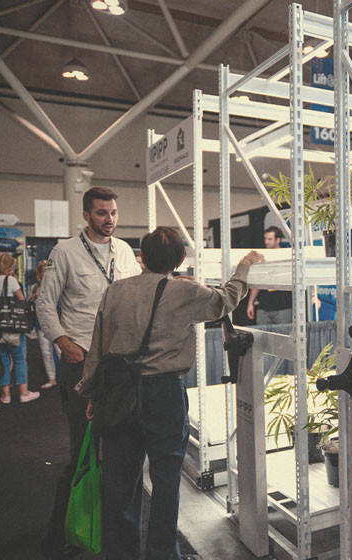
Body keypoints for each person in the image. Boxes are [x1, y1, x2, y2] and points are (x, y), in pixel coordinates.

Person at [78, 226, 264, 560]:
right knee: (165, 483)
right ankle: (163, 555)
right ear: (179, 260)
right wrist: (245, 266)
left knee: (119, 481)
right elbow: (226, 300)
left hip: (117, 392)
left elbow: (98, 346)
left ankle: (122, 554)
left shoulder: (115, 291)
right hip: (164, 393)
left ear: (142, 258)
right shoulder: (184, 291)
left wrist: (92, 393)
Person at [37, 186, 141, 559]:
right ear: (86, 215)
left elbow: (136, 294)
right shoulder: (64, 252)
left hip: (121, 363)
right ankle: (63, 532)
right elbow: (45, 304)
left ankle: (109, 526)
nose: (109, 219)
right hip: (81, 360)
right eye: (101, 213)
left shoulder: (125, 251)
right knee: (83, 447)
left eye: (113, 212)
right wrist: (63, 341)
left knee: (121, 448)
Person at [0, 253, 39, 404]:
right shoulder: (10, 280)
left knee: (3, 358)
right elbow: (21, 300)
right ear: (7, 267)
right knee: (19, 358)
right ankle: (24, 393)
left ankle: (5, 395)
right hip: (10, 321)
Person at [246, 226, 292, 325]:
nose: (266, 242)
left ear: (278, 240)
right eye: (265, 238)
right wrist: (250, 303)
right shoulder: (261, 257)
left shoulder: (287, 256)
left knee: (285, 333)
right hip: (264, 308)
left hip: (283, 307)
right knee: (262, 334)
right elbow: (257, 282)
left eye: (270, 239)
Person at [28, 261, 57, 389]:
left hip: (56, 323)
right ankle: (52, 378)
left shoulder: (57, 285)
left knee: (61, 351)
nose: (46, 273)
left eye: (48, 270)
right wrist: (34, 296)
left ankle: (67, 377)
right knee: (46, 352)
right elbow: (29, 302)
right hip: (41, 323)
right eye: (43, 270)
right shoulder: (35, 287)